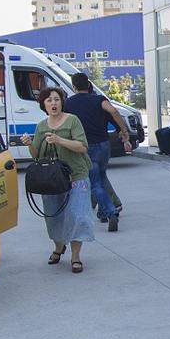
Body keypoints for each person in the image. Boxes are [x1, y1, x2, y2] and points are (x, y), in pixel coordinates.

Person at [20, 87, 93, 274]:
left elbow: (82, 147)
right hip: (52, 180)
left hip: (76, 176)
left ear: (62, 102)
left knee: (77, 215)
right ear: (43, 105)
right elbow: (37, 155)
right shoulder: (41, 126)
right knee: (53, 216)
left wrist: (59, 140)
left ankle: (75, 256)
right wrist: (29, 144)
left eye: (57, 99)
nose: (53, 103)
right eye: (49, 100)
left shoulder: (72, 121)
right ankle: (59, 247)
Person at [63, 72, 130, 232]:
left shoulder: (69, 103)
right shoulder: (99, 99)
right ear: (88, 85)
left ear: (74, 87)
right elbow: (113, 111)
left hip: (85, 147)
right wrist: (124, 131)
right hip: (104, 145)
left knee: (95, 183)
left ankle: (111, 211)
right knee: (101, 175)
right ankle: (103, 211)